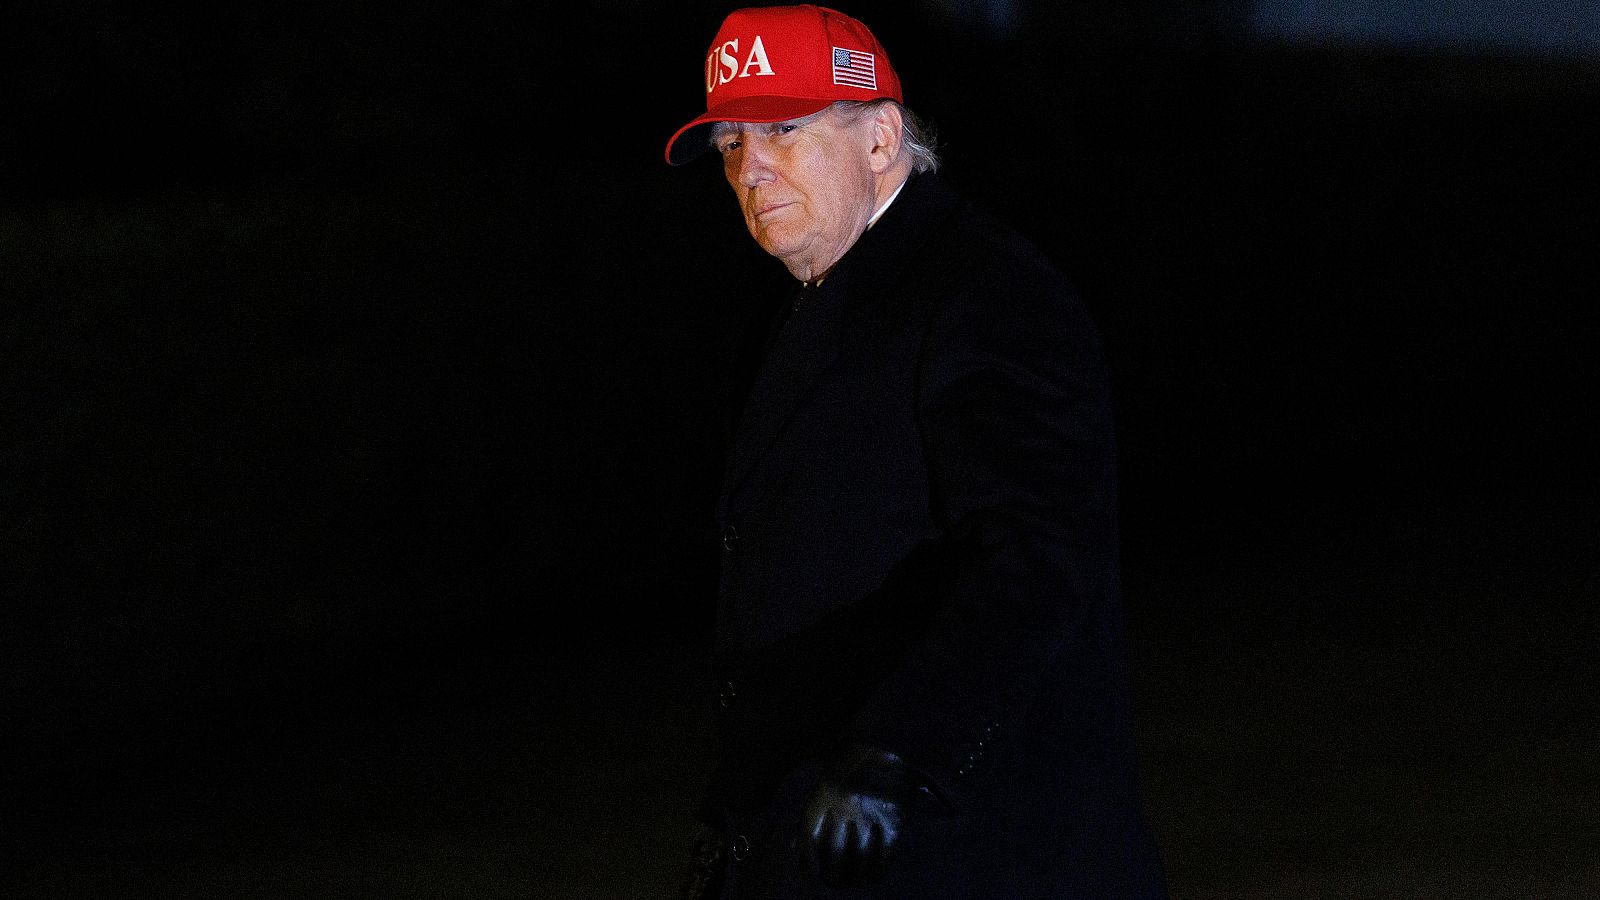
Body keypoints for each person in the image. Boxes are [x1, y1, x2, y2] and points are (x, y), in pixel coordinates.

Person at [665, 5, 1170, 898]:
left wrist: (894, 752)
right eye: (732, 143)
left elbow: (1039, 556)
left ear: (881, 138)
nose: (751, 169)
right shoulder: (812, 304)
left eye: (785, 128)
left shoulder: (988, 295)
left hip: (967, 853)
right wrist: (738, 819)